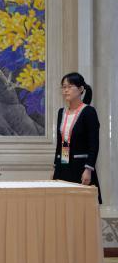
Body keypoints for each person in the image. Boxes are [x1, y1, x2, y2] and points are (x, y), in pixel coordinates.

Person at [53, 72, 101, 203]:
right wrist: (56, 168)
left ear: (80, 89)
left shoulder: (89, 112)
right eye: (63, 87)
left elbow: (94, 144)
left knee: (81, 206)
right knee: (62, 205)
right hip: (63, 166)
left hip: (81, 168)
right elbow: (61, 143)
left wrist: (88, 169)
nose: (65, 90)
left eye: (69, 86)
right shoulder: (61, 112)